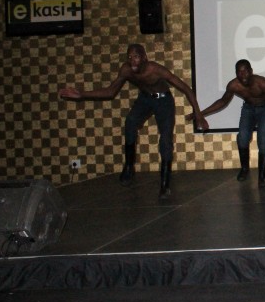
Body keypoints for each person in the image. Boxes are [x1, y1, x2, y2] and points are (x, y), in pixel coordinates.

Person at [58, 44, 209, 200]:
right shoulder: (126, 70)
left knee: (165, 140)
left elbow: (185, 88)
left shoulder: (155, 69)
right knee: (130, 122)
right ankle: (129, 167)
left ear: (144, 58)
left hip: (163, 100)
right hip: (145, 99)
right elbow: (110, 92)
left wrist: (198, 115)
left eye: (136, 57)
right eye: (129, 57)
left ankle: (165, 185)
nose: (132, 61)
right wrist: (82, 94)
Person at [192, 59, 265, 188]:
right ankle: (244, 169)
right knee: (242, 137)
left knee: (263, 139)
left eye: (245, 71)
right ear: (236, 73)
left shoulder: (261, 82)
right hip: (248, 109)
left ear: (251, 71)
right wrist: (200, 114)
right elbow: (222, 102)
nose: (242, 75)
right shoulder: (234, 85)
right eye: (239, 72)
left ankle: (262, 177)